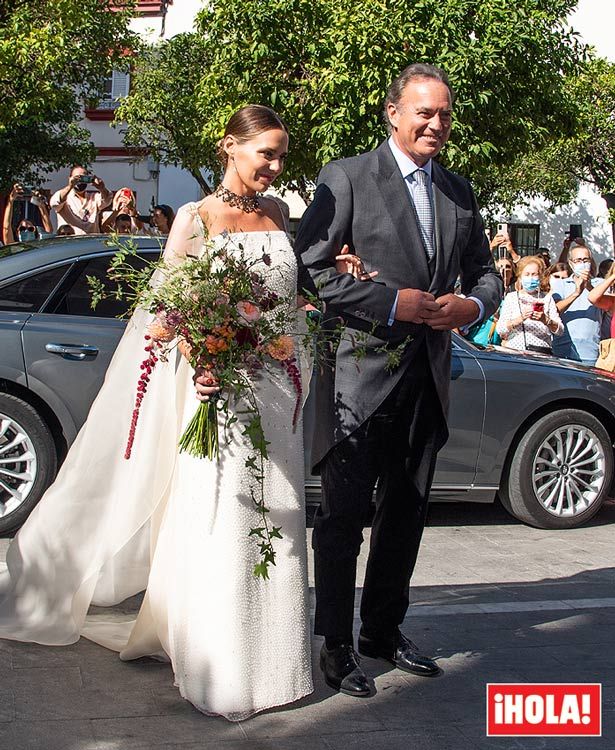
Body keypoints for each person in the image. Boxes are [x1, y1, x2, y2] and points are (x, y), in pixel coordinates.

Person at [0, 105, 329, 721]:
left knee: (278, 520)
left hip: (278, 389)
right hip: (220, 393)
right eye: (267, 154)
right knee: (226, 517)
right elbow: (165, 311)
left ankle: (278, 662)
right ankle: (223, 666)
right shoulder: (196, 217)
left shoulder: (281, 214)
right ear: (230, 147)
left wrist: (302, 323)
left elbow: (285, 301)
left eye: (284, 155)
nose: (277, 166)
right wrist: (198, 352)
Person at [294, 63, 503, 697]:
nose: (436, 124)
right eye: (424, 112)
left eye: (443, 114)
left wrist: (473, 306)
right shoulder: (348, 176)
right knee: (342, 518)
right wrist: (389, 305)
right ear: (393, 112)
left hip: (428, 379)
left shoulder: (460, 191)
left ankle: (381, 631)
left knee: (406, 514)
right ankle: (333, 642)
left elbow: (486, 273)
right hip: (359, 382)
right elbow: (310, 268)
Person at [551, 242, 604, 365]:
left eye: (586, 260)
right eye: (578, 260)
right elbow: (555, 310)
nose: (583, 263)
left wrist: (589, 286)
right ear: (571, 263)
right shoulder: (561, 284)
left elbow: (605, 305)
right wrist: (576, 293)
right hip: (563, 350)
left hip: (590, 351)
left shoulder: (600, 284)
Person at [496, 256, 563, 354]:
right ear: (520, 276)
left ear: (540, 277)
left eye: (534, 274)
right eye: (527, 274)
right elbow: (500, 329)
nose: (530, 278)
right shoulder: (511, 298)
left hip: (541, 353)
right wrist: (518, 319)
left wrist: (546, 320)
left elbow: (560, 330)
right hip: (515, 353)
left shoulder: (547, 299)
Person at [50, 166, 112, 234]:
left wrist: (102, 188)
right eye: (76, 178)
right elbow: (54, 203)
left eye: (83, 178)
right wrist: (70, 186)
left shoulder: (94, 197)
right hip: (70, 242)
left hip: (90, 242)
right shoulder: (65, 196)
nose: (79, 181)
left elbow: (107, 200)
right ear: (70, 178)